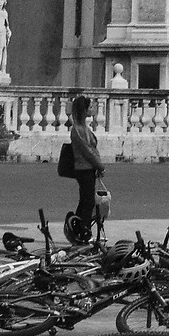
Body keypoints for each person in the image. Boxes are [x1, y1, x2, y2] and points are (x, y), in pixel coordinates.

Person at [65, 93, 104, 244]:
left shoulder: (83, 128)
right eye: (90, 107)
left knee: (85, 201)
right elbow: (87, 151)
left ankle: (80, 228)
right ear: (84, 110)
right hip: (84, 168)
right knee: (88, 202)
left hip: (88, 168)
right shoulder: (78, 129)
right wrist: (99, 165)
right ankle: (84, 231)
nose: (92, 109)